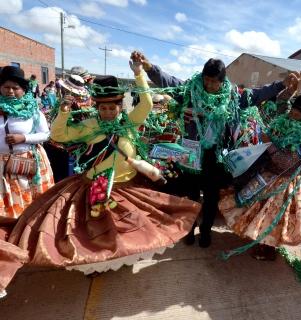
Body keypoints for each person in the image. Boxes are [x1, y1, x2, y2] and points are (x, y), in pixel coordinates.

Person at [5, 59, 201, 281]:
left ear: (120, 106)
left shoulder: (130, 122)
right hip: (95, 186)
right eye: (103, 108)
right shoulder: (90, 125)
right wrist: (64, 112)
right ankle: (99, 261)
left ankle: (123, 256)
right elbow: (59, 135)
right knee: (96, 233)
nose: (108, 112)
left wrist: (138, 73)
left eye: (112, 107)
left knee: (130, 229)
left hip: (128, 186)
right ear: (97, 107)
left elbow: (146, 103)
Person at [131, 50, 299, 248]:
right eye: (206, 80)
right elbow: (169, 82)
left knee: (211, 197)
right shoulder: (192, 91)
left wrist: (281, 85)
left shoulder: (233, 97)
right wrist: (149, 67)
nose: (209, 85)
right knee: (192, 195)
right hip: (192, 153)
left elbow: (257, 95)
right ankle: (190, 229)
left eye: (214, 81)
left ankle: (205, 231)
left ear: (222, 80)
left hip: (216, 157)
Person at [219, 93, 301, 260]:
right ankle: (261, 241)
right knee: (257, 211)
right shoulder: (282, 123)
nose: (293, 114)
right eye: (293, 110)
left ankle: (268, 248)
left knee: (275, 217)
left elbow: (288, 162)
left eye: (298, 113)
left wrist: (270, 144)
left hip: (286, 181)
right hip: (268, 174)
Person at [0, 66, 54, 222]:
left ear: (23, 90)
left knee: (28, 198)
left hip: (25, 161)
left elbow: (46, 134)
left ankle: (26, 224)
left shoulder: (33, 111)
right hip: (1, 165)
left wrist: (23, 138)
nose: (10, 91)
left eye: (15, 88)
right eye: (6, 87)